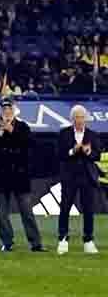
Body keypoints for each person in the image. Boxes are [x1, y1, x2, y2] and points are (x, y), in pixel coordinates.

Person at [0, 98, 42, 254]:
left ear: (14, 111)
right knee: (2, 212)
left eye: (10, 110)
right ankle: (7, 242)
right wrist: (0, 133)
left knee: (27, 210)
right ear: (1, 112)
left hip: (19, 175)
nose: (7, 113)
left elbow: (30, 144)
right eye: (4, 110)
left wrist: (12, 132)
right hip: (0, 175)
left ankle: (35, 243)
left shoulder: (22, 127)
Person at [56, 104, 98, 255]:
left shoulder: (92, 135)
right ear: (72, 119)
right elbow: (59, 154)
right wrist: (72, 150)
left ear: (86, 119)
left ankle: (88, 240)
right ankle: (63, 239)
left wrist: (88, 151)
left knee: (88, 209)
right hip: (69, 177)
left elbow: (97, 155)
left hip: (87, 177)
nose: (80, 120)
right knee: (65, 208)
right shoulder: (64, 134)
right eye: (77, 117)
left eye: (82, 117)